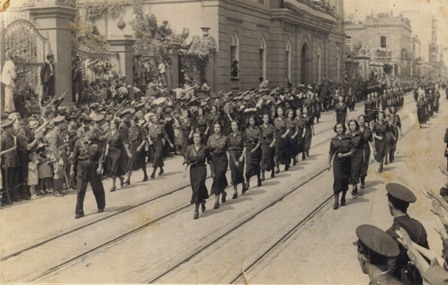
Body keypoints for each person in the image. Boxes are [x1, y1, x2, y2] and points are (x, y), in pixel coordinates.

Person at [385, 183, 429, 285]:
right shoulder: (419, 226)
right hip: (419, 279)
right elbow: (427, 257)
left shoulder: (391, 232)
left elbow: (390, 268)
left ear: (390, 205)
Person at [70, 129, 106, 219]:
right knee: (80, 190)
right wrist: (72, 170)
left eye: (95, 132)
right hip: (81, 168)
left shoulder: (97, 143)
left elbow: (101, 155)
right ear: (87, 133)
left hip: (93, 167)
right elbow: (74, 157)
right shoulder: (79, 142)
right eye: (92, 133)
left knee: (97, 188)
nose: (94, 134)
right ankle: (79, 211)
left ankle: (101, 206)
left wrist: (100, 166)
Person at [183, 132, 213, 220]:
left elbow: (210, 160)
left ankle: (196, 210)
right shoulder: (189, 148)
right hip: (193, 169)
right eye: (194, 137)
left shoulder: (205, 148)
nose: (196, 139)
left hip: (202, 169)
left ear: (200, 138)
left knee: (198, 186)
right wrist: (184, 170)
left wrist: (212, 171)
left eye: (198, 137)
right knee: (195, 187)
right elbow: (186, 160)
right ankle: (203, 199)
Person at [328, 123, 353, 209]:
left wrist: (345, 155)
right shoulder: (333, 139)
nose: (339, 129)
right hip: (337, 162)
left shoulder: (348, 138)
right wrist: (328, 163)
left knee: (345, 179)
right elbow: (331, 152)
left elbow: (352, 151)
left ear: (343, 129)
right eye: (337, 128)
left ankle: (343, 198)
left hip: (346, 161)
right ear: (335, 129)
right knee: (337, 179)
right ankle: (336, 201)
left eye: (340, 127)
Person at [207, 122, 229, 209]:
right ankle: (223, 192)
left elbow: (229, 148)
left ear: (221, 128)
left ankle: (216, 199)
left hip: (223, 159)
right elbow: (208, 150)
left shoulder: (225, 138)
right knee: (217, 177)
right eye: (215, 127)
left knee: (219, 176)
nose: (216, 129)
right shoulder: (210, 138)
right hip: (214, 159)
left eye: (218, 127)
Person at [105, 120, 131, 192]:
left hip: (117, 152)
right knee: (114, 167)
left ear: (116, 125)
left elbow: (124, 144)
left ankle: (113, 185)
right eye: (111, 124)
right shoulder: (109, 133)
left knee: (114, 168)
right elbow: (107, 143)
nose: (111, 125)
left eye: (113, 124)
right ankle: (121, 179)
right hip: (110, 152)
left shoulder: (119, 134)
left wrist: (128, 153)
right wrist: (106, 151)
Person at [1, 119, 20, 205]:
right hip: (6, 162)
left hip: (13, 161)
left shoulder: (12, 137)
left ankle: (12, 196)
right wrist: (11, 149)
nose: (12, 128)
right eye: (10, 127)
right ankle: (6, 198)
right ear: (6, 128)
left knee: (13, 180)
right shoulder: (2, 138)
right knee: (7, 181)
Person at [125, 117, 148, 184]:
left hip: (139, 145)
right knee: (130, 161)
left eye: (133, 122)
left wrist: (140, 147)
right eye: (131, 122)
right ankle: (128, 179)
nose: (132, 124)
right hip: (132, 146)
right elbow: (129, 138)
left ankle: (145, 175)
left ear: (136, 122)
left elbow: (144, 139)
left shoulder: (141, 129)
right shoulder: (129, 129)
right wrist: (128, 145)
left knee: (141, 161)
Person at [227, 121, 246, 199]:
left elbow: (245, 146)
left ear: (238, 126)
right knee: (233, 173)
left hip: (240, 154)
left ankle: (243, 183)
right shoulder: (229, 136)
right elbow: (229, 148)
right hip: (232, 155)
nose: (233, 127)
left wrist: (242, 156)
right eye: (232, 125)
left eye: (235, 125)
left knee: (240, 173)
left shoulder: (242, 135)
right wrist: (233, 158)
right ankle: (235, 191)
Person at [244, 116, 262, 189]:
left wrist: (255, 148)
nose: (251, 122)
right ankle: (247, 182)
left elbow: (260, 141)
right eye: (250, 121)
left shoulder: (258, 130)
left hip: (256, 149)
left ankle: (258, 179)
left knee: (257, 165)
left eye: (252, 121)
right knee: (248, 166)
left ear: (255, 121)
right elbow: (244, 140)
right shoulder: (246, 130)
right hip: (249, 149)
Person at [348, 120, 363, 198]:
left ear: (356, 126)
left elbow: (363, 145)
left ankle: (354, 188)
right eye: (350, 125)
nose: (352, 126)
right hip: (350, 155)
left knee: (356, 171)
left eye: (353, 125)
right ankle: (354, 185)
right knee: (351, 171)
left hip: (358, 155)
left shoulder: (360, 135)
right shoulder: (347, 135)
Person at [273, 107, 290, 173]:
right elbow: (274, 130)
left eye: (281, 111)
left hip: (284, 136)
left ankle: (286, 164)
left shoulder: (286, 120)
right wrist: (274, 138)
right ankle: (277, 167)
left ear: (283, 112)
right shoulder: (275, 120)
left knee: (284, 150)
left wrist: (285, 134)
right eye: (278, 111)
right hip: (278, 136)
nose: (279, 112)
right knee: (277, 151)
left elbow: (288, 129)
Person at [358, 115, 373, 189]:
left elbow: (371, 140)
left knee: (364, 165)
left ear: (364, 121)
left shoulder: (368, 130)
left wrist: (375, 150)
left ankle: (362, 181)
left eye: (362, 119)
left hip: (365, 149)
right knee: (356, 166)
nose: (361, 121)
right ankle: (355, 183)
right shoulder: (354, 129)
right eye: (360, 119)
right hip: (356, 150)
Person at [260, 113, 276, 181]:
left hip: (270, 143)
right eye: (265, 118)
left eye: (267, 118)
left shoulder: (271, 127)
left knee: (271, 157)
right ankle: (262, 174)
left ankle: (272, 170)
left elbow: (274, 137)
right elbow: (259, 136)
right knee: (263, 158)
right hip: (263, 143)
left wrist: (272, 143)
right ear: (263, 119)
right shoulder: (260, 127)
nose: (266, 119)